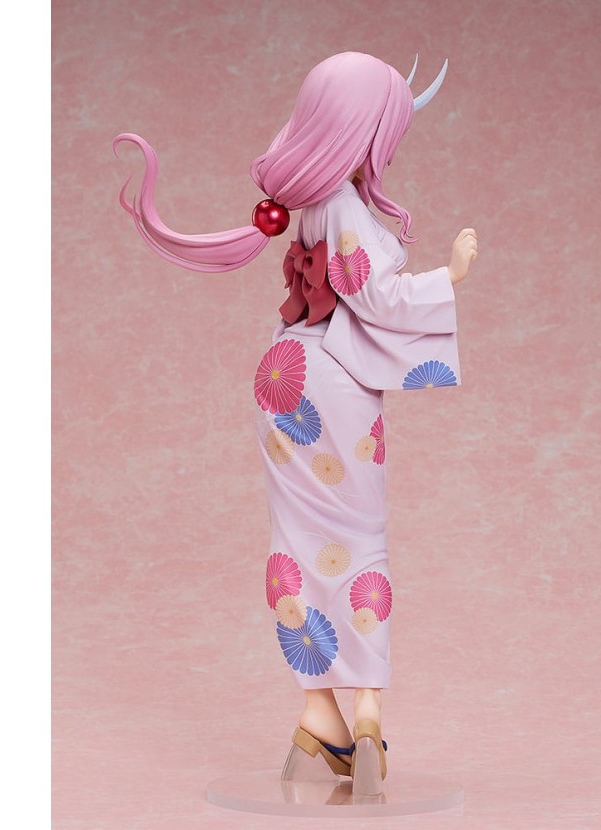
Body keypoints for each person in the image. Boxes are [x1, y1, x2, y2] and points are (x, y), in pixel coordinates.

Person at [114, 50, 477, 796]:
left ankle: (319, 712)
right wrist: (450, 275)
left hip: (285, 374)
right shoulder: (341, 206)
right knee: (361, 538)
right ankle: (367, 711)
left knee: (299, 541)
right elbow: (377, 299)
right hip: (334, 385)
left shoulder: (314, 201)